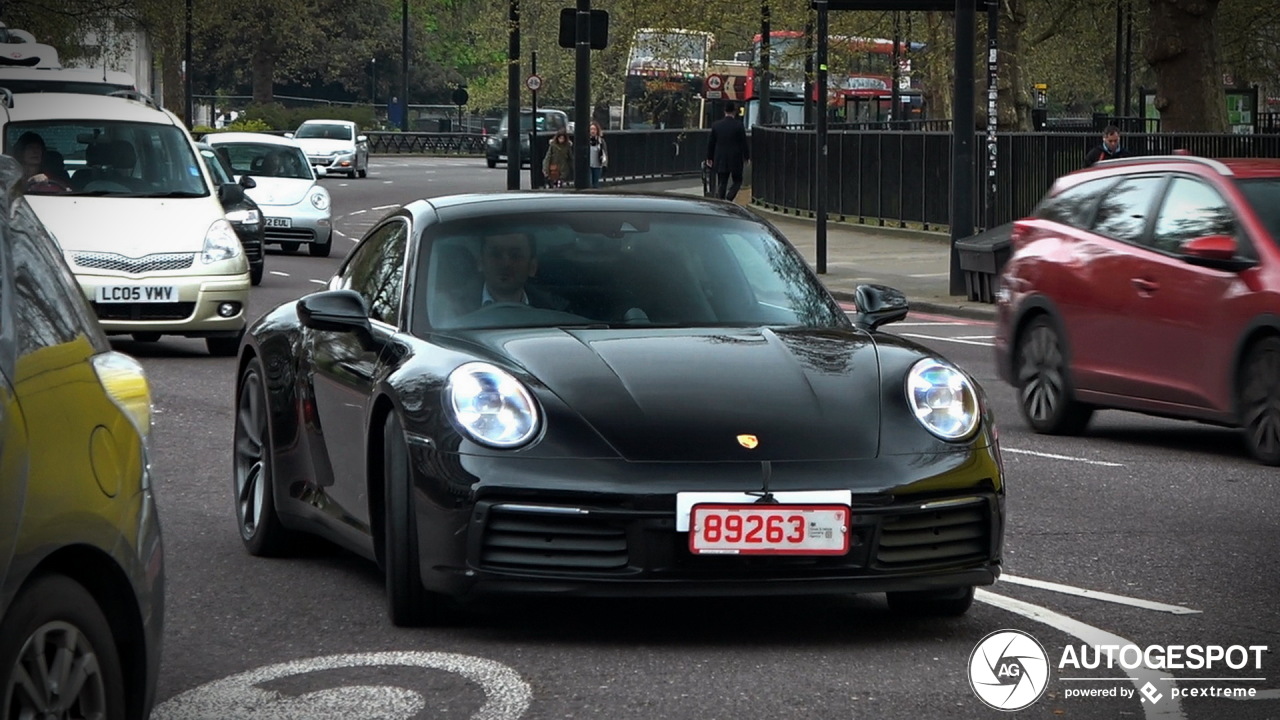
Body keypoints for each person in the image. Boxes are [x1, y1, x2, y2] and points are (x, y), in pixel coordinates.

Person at [451, 232, 569, 316]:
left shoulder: (555, 311)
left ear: (532, 267)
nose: (505, 263)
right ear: (480, 262)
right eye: (495, 254)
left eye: (515, 256)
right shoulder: (450, 309)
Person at [706, 102, 750, 201]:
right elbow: (743, 142)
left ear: (724, 111)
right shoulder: (739, 125)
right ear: (734, 112)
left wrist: (709, 157)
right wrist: (746, 157)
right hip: (735, 158)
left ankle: (721, 200)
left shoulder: (716, 125)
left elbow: (711, 143)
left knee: (722, 181)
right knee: (737, 180)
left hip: (720, 157)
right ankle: (730, 197)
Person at [587, 121, 608, 189]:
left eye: (594, 129)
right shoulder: (586, 141)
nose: (592, 131)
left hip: (597, 165)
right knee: (588, 183)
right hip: (588, 165)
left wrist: (604, 164)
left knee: (595, 183)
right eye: (591, 129)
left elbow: (604, 153)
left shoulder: (601, 141)